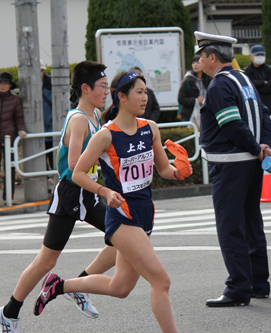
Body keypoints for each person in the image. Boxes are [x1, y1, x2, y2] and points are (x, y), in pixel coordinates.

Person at [32, 70, 192, 333]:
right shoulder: (106, 135)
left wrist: (179, 170)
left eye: (146, 92)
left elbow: (163, 169)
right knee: (161, 281)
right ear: (122, 97)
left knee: (120, 288)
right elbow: (77, 173)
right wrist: (104, 192)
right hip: (122, 215)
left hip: (145, 212)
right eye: (139, 92)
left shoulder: (150, 128)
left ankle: (58, 285)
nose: (145, 97)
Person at [0, 61, 118, 333]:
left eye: (108, 86)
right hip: (73, 193)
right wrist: (102, 189)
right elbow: (74, 167)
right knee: (47, 260)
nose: (106, 91)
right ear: (86, 88)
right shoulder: (78, 120)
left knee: (127, 240)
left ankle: (79, 286)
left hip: (88, 193)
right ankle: (8, 312)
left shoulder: (95, 115)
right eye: (103, 87)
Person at [194, 31, 271, 307]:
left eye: (201, 56)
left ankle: (238, 288)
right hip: (252, 164)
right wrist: (264, 145)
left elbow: (230, 124)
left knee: (230, 227)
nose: (199, 61)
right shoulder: (244, 79)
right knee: (252, 222)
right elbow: (265, 115)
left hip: (230, 165)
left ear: (212, 58)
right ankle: (258, 283)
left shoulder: (218, 86)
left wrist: (256, 147)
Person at [0, 72, 27, 206]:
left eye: (5, 83)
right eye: (0, 83)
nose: (2, 86)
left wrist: (21, 129)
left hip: (10, 137)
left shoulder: (15, 99)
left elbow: (18, 117)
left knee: (10, 169)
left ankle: (8, 197)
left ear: (10, 85)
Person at [243, 44, 271, 114]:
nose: (260, 57)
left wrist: (256, 88)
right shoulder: (246, 71)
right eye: (257, 55)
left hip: (270, 107)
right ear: (251, 56)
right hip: (253, 107)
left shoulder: (270, 69)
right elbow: (246, 86)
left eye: (262, 55)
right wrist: (263, 82)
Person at [177, 55, 211, 122]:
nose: (195, 65)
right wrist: (196, 100)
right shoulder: (188, 80)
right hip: (190, 116)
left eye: (198, 62)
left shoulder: (209, 79)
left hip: (205, 115)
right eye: (193, 62)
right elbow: (180, 99)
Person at [41, 59, 54, 170]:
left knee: (54, 161)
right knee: (40, 163)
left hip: (51, 129)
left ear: (44, 70)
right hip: (36, 132)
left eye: (40, 70)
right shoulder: (27, 85)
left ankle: (55, 185)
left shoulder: (52, 84)